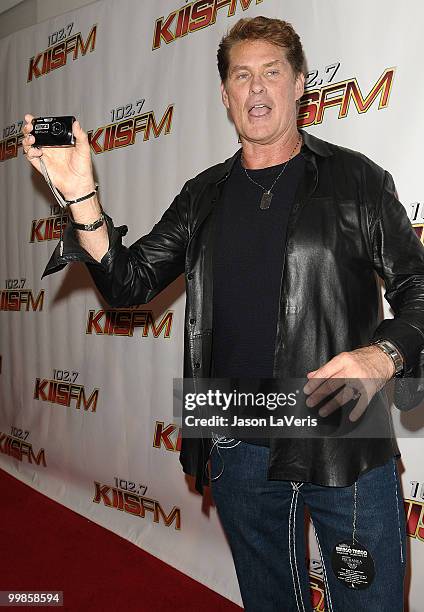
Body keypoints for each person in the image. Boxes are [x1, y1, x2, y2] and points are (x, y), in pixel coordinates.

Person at [23, 15, 424, 612]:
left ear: (300, 85)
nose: (257, 88)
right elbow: (129, 283)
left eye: (271, 73)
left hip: (340, 428)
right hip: (234, 429)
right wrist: (82, 194)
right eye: (242, 76)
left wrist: (381, 355)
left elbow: (418, 287)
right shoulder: (201, 194)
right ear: (225, 95)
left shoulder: (357, 179)